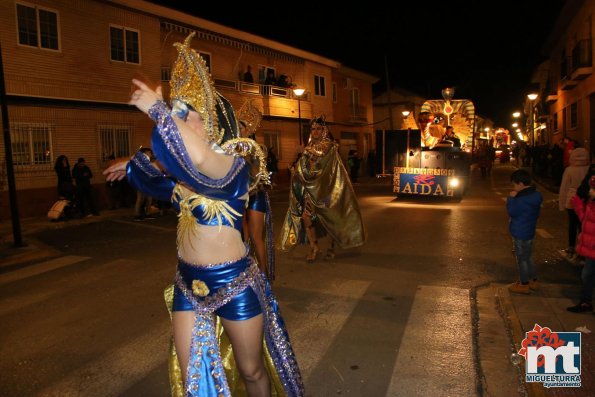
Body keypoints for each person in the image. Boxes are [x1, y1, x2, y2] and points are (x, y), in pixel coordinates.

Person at [103, 33, 302, 397]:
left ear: (208, 124)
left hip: (235, 283)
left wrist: (160, 110)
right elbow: (158, 180)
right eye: (177, 114)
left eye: (186, 116)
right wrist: (133, 166)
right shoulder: (184, 182)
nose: (178, 122)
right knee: (193, 375)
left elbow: (195, 157)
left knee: (252, 370)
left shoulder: (231, 168)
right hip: (187, 284)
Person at [278, 115, 366, 262]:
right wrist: (296, 170)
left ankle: (332, 246)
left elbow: (323, 162)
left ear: (324, 130)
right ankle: (314, 247)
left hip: (326, 191)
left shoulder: (329, 146)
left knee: (328, 218)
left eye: (319, 129)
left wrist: (307, 151)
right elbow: (303, 167)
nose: (315, 132)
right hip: (310, 191)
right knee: (306, 217)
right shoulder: (309, 146)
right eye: (313, 129)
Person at [237, 100, 275, 280]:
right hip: (237, 197)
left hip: (254, 196)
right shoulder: (230, 149)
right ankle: (245, 275)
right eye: (237, 126)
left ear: (249, 130)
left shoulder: (258, 150)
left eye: (242, 126)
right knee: (240, 237)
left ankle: (264, 276)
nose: (239, 130)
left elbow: (258, 175)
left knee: (256, 236)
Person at [506, 169, 543, 294]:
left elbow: (512, 212)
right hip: (529, 230)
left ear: (521, 184)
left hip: (520, 232)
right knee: (528, 257)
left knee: (521, 258)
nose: (514, 187)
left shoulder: (521, 199)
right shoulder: (535, 195)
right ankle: (533, 281)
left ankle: (524, 284)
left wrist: (511, 199)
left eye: (514, 185)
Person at [567, 175, 595, 313]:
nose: (590, 191)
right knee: (587, 275)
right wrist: (578, 206)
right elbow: (586, 220)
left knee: (588, 274)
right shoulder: (592, 203)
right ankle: (586, 302)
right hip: (591, 249)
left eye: (593, 188)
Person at [558, 147, 590, 261]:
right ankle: (583, 248)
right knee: (584, 225)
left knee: (572, 224)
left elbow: (564, 187)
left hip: (572, 200)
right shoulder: (589, 169)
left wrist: (561, 203)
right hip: (586, 200)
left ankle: (571, 246)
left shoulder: (569, 170)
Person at [133, 147, 156, 221]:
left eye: (150, 153)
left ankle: (147, 213)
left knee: (149, 199)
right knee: (140, 199)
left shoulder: (151, 161)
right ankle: (137, 215)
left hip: (149, 183)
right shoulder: (140, 162)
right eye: (147, 153)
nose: (149, 154)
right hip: (141, 183)